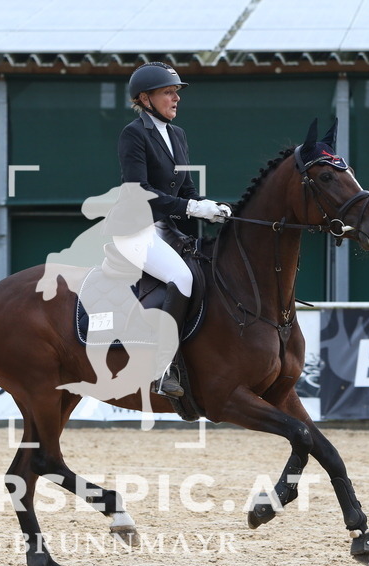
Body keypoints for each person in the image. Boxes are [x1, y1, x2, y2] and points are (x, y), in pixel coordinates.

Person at [116, 62, 230, 397]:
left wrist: (210, 208)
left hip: (167, 229)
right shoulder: (134, 134)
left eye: (176, 92)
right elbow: (138, 189)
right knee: (181, 278)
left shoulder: (177, 135)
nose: (176, 98)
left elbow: (187, 190)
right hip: (135, 230)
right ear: (145, 99)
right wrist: (193, 208)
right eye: (168, 92)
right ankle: (161, 368)